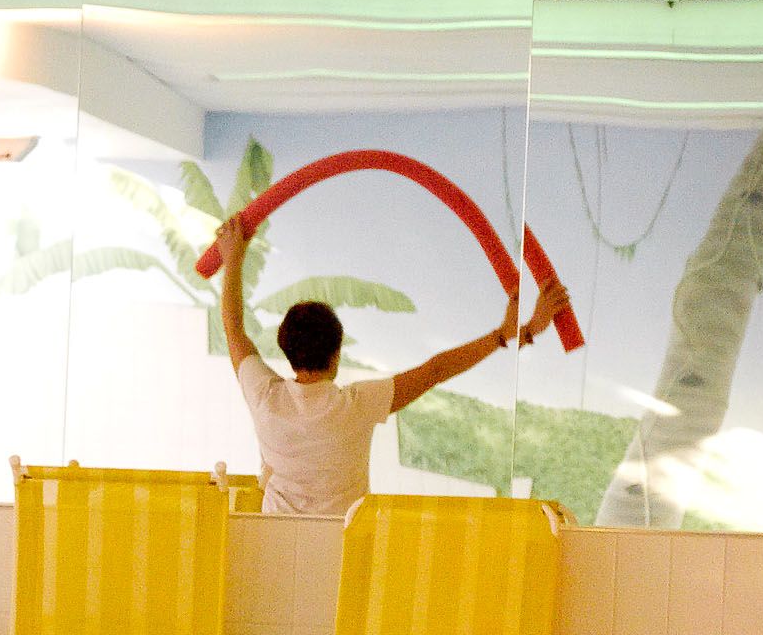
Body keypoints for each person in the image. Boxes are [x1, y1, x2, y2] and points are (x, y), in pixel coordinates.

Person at [218, 208, 572, 515]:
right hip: (342, 547)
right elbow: (434, 371)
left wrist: (232, 259)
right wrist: (508, 335)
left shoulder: (265, 397)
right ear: (337, 353)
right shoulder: (355, 406)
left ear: (286, 350)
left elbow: (234, 330)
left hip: (274, 540)